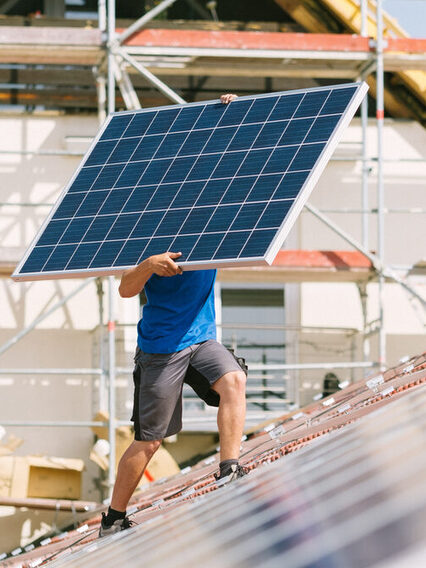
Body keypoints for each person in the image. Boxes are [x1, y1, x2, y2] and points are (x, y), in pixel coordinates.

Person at [99, 93, 248, 536]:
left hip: (201, 339)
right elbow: (127, 289)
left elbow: (248, 164)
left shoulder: (218, 216)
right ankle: (113, 517)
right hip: (161, 348)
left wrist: (231, 116)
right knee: (150, 441)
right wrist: (148, 265)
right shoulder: (148, 224)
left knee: (234, 381)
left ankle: (229, 468)